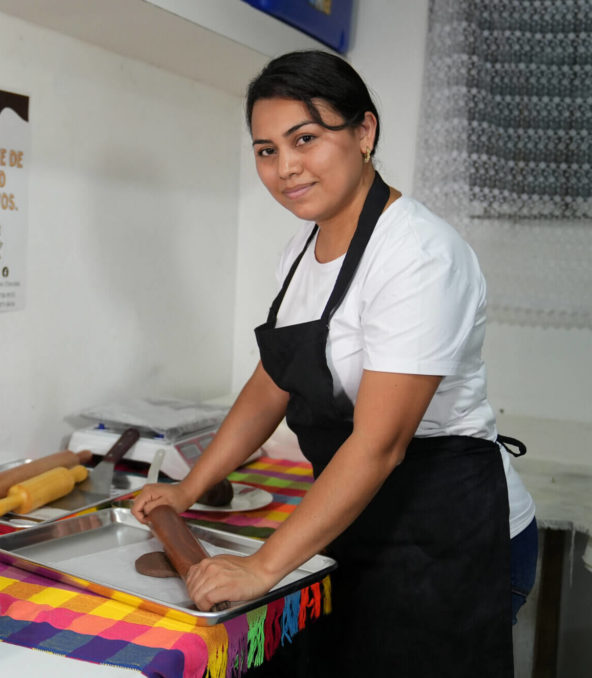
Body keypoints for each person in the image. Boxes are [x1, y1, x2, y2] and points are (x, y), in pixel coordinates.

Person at [131, 50, 537, 677]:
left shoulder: (420, 257)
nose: (285, 168)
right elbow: (272, 382)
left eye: (306, 139)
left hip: (447, 536)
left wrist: (264, 567)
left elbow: (379, 444)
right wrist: (187, 488)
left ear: (364, 132)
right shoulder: (303, 246)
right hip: (354, 521)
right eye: (266, 150)